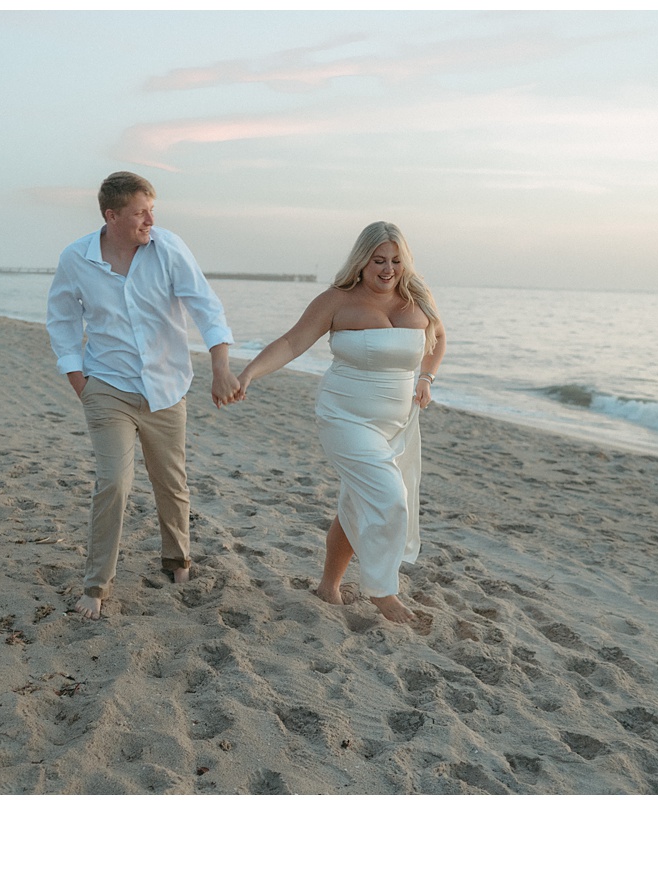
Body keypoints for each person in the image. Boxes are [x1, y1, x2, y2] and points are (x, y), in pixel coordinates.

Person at [223, 221, 445, 623]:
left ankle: (329, 586)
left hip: (397, 423)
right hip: (345, 417)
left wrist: (426, 378)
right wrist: (248, 374)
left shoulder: (417, 298)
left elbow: (439, 336)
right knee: (390, 499)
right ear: (361, 261)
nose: (388, 269)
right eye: (378, 260)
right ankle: (382, 591)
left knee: (358, 501)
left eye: (396, 260)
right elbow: (291, 343)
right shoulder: (336, 300)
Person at [46, 171, 240, 620]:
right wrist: (78, 378)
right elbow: (61, 319)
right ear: (112, 216)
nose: (150, 219)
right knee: (113, 481)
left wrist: (221, 366)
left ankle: (177, 561)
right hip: (107, 386)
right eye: (140, 212)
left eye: (152, 209)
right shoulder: (76, 258)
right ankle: (96, 585)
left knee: (171, 482)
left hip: (166, 388)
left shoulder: (169, 248)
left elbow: (205, 306)